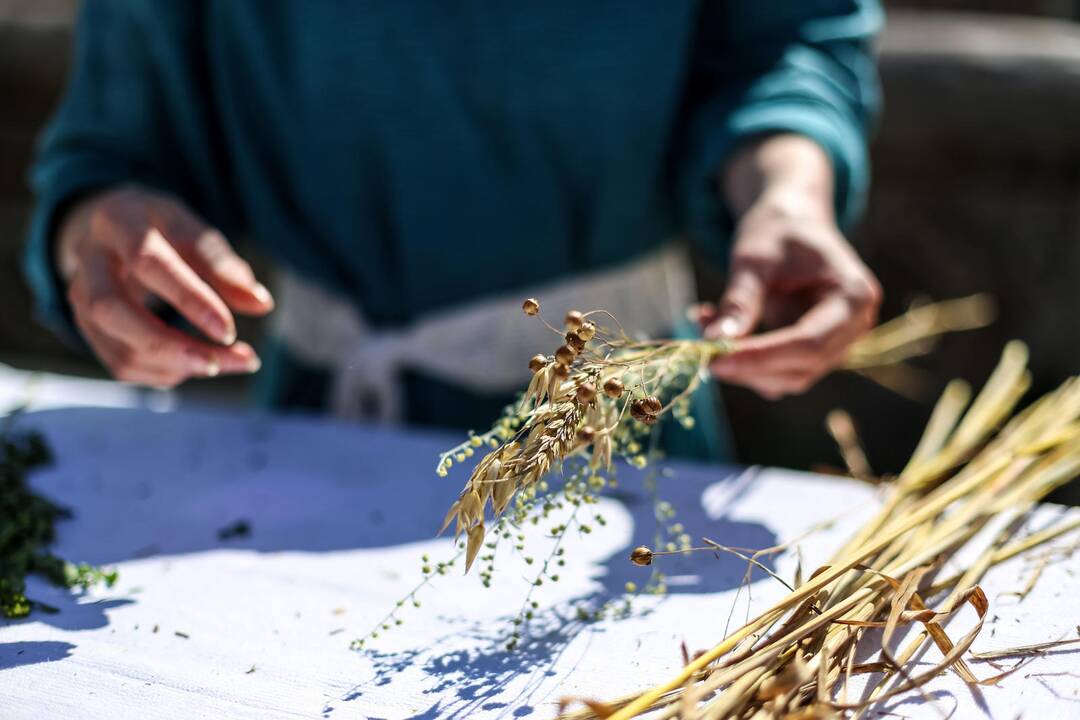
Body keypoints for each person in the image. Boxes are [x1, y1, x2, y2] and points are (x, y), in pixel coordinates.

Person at [24, 1, 883, 459]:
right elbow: (116, 137)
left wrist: (788, 191)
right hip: (305, 439)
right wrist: (100, 235)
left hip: (617, 434)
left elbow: (785, 43)